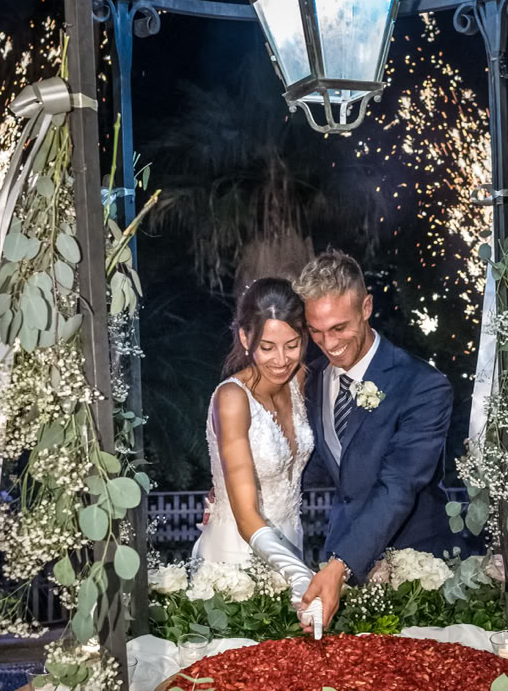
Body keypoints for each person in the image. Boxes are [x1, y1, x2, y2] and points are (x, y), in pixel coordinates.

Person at [295, 249, 453, 630]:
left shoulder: (423, 385)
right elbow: (311, 464)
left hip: (415, 573)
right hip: (343, 566)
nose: (327, 343)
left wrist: (339, 565)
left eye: (339, 328)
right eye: (315, 331)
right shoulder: (312, 379)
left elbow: (398, 486)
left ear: (366, 307)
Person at [192, 277, 315, 610]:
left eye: (292, 344)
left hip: (292, 541)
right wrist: (300, 574)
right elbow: (246, 513)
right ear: (246, 338)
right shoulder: (232, 398)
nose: (281, 359)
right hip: (238, 558)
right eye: (267, 347)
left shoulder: (298, 380)